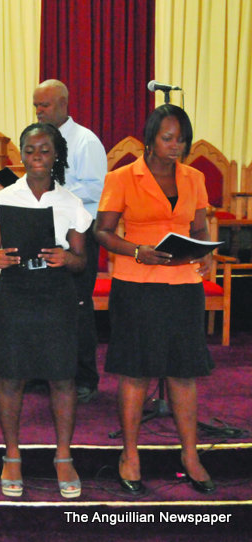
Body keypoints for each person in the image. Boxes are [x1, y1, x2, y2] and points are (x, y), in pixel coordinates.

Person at [94, 104, 215, 495]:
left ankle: (190, 455)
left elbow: (199, 227)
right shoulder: (122, 177)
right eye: (167, 138)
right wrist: (137, 250)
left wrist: (207, 253)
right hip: (137, 284)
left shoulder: (194, 177)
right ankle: (130, 455)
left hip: (183, 285)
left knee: (183, 373)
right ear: (149, 138)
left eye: (181, 138)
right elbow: (103, 232)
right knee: (136, 372)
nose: (175, 145)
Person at [0, 123, 90, 499]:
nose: (36, 157)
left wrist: (67, 257)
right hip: (15, 291)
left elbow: (82, 261)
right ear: (20, 155)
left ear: (56, 155)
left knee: (61, 377)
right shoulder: (3, 199)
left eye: (44, 150)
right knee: (11, 377)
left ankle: (63, 456)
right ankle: (11, 455)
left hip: (56, 293)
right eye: (30, 150)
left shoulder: (71, 203)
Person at [33, 80, 108, 403]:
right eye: (36, 105)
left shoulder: (85, 141)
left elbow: (95, 190)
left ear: (63, 104)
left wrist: (55, 194)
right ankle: (45, 372)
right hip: (45, 231)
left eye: (44, 105)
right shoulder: (40, 141)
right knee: (43, 305)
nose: (38, 111)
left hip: (78, 235)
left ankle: (85, 377)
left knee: (76, 305)